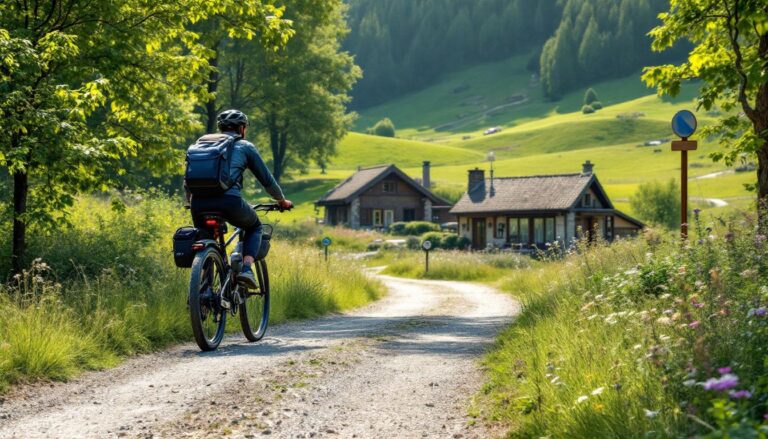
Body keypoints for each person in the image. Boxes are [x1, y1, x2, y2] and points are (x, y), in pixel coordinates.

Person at [186, 109, 292, 288]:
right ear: (242, 129)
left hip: (198, 203)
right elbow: (267, 180)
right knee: (255, 226)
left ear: (220, 128)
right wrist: (281, 201)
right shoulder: (245, 146)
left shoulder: (201, 145)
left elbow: (187, 179)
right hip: (229, 202)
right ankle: (246, 269)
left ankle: (201, 290)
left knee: (205, 239)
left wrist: (190, 202)